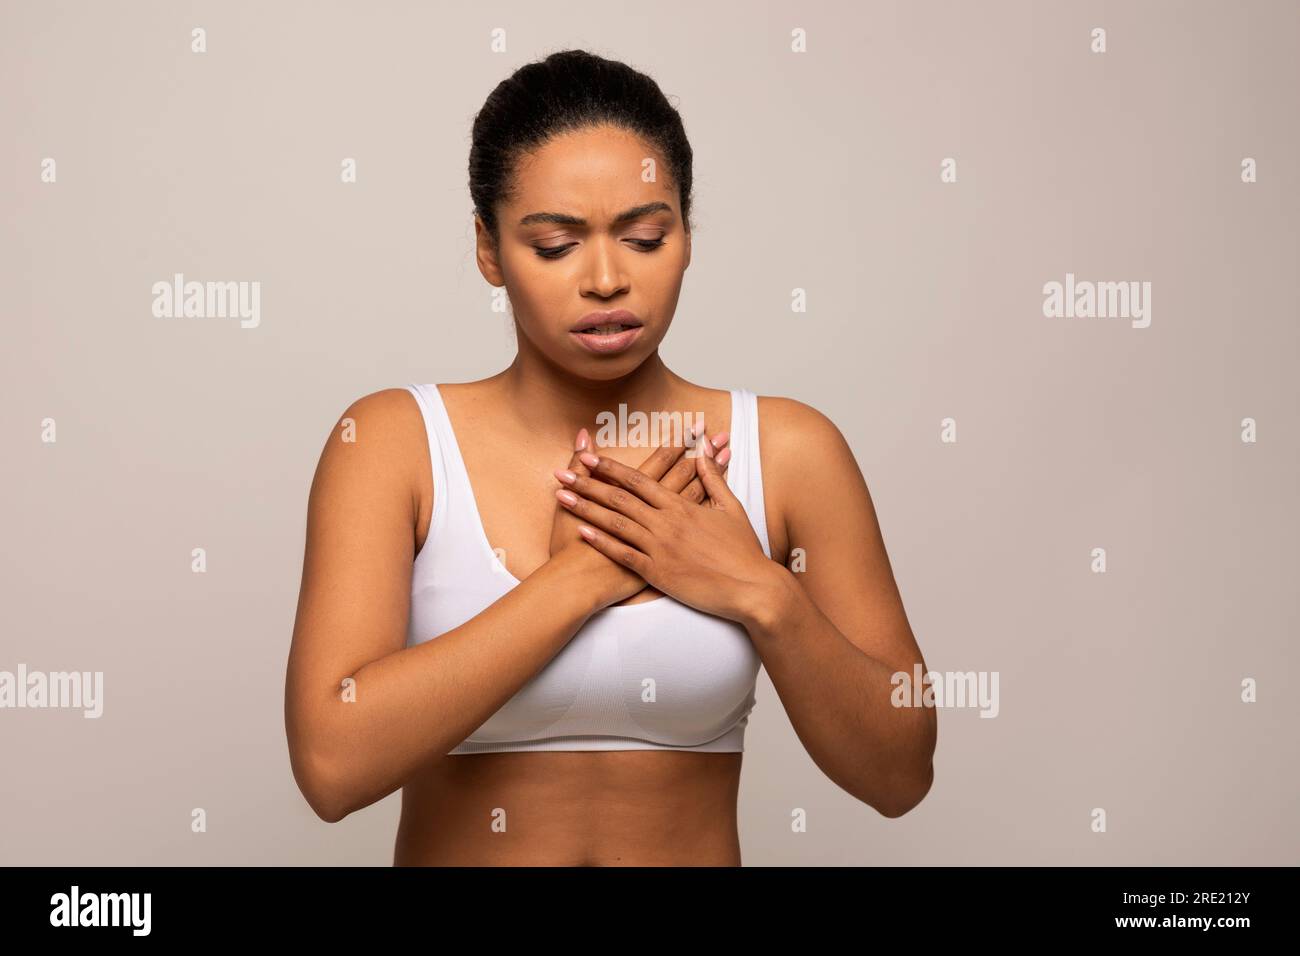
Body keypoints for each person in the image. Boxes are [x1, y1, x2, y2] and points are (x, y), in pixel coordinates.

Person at [284, 49, 935, 866]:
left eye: (645, 237)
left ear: (688, 236)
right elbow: (331, 766)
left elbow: (900, 773)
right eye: (555, 246)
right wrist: (578, 580)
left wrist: (761, 593)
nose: (605, 279)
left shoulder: (791, 450)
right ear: (488, 251)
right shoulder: (391, 443)